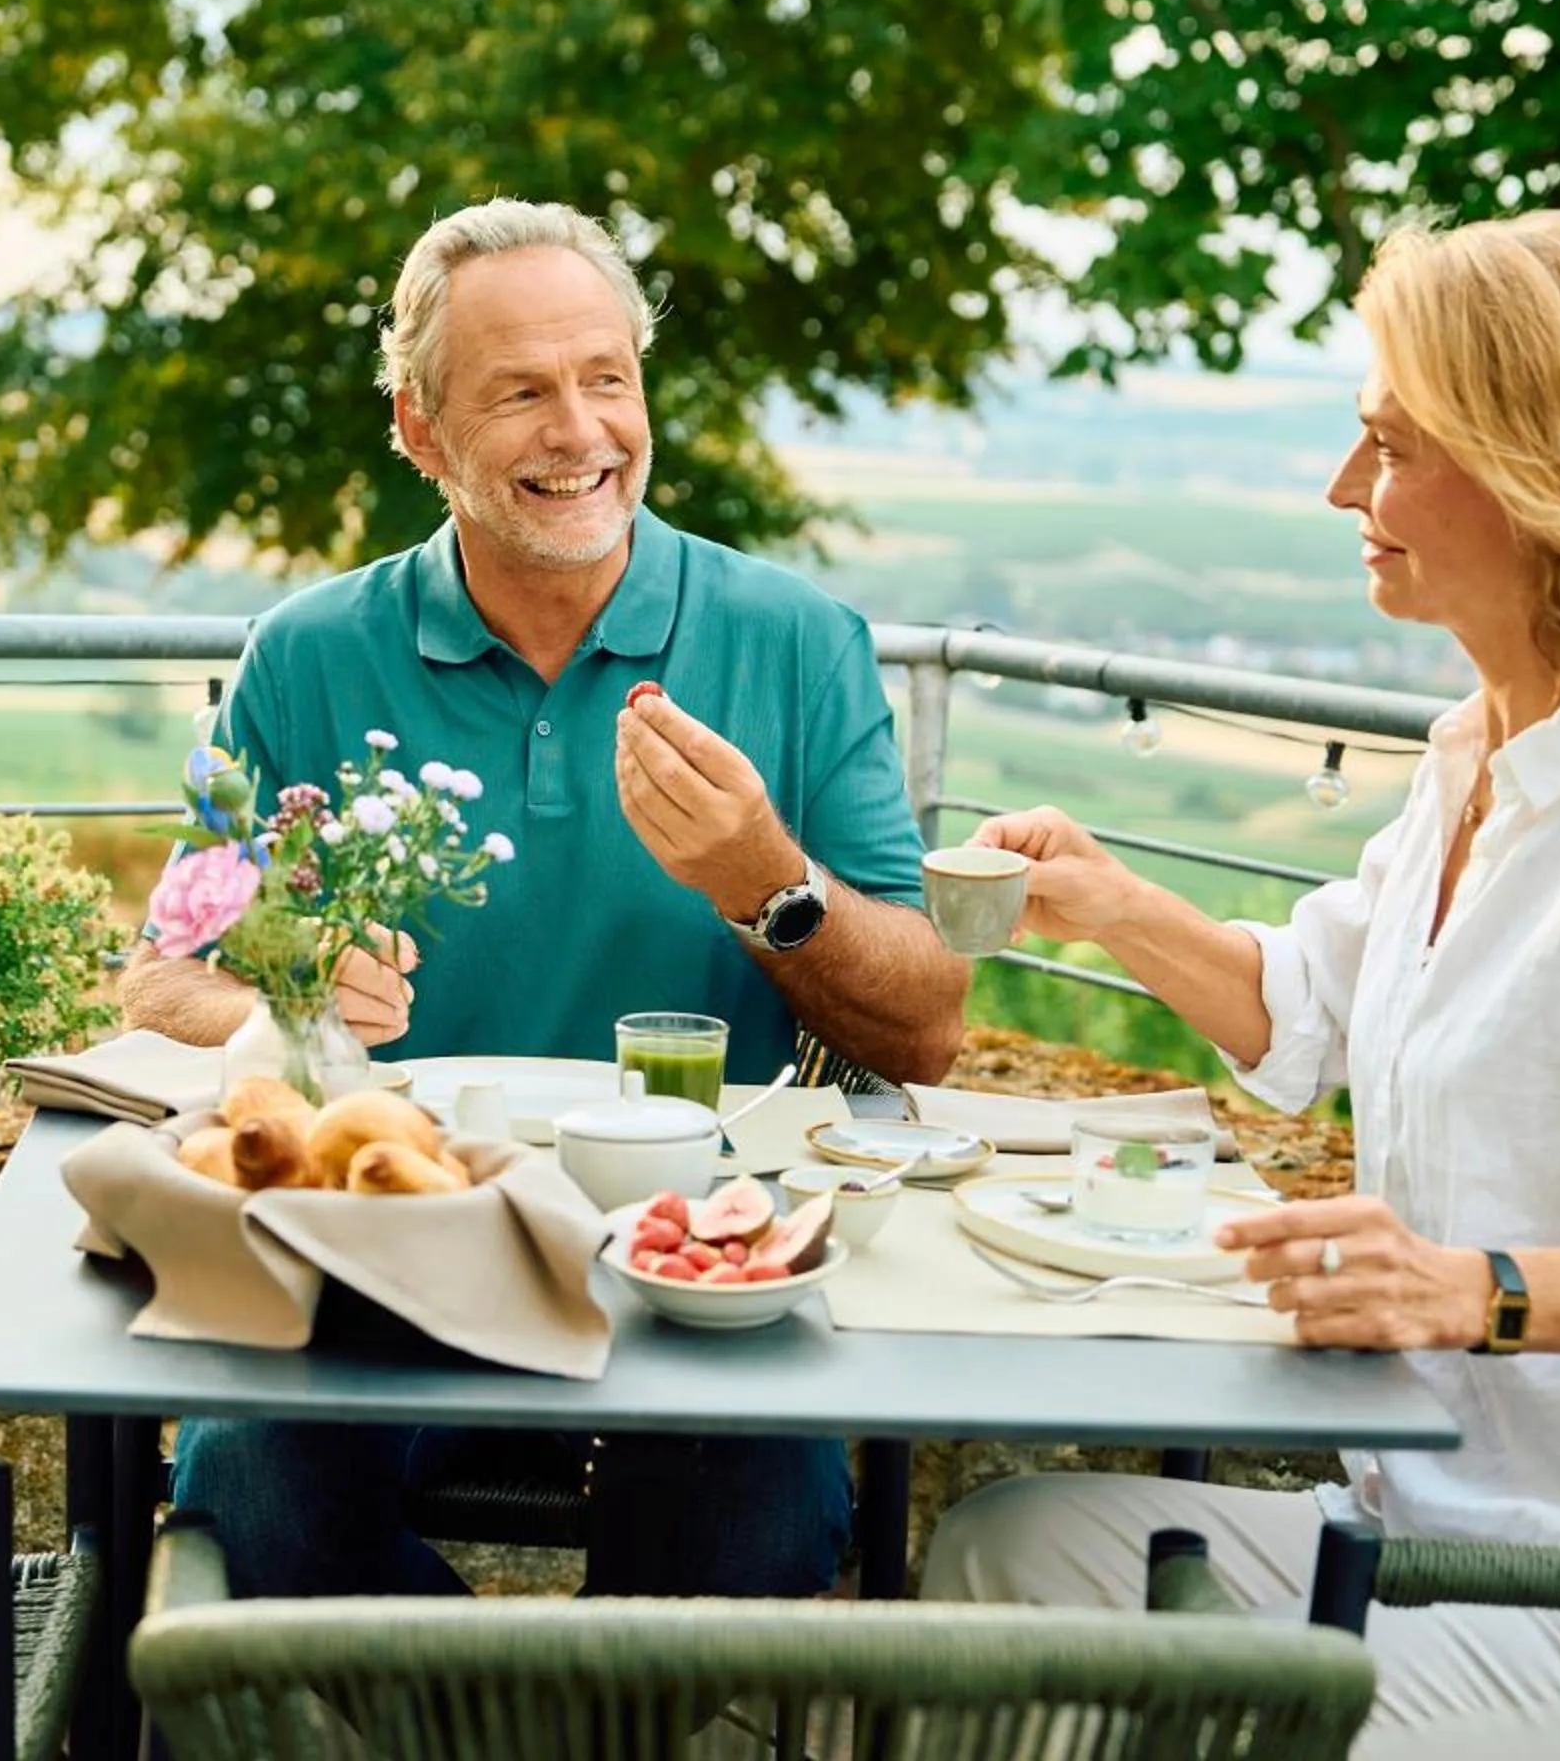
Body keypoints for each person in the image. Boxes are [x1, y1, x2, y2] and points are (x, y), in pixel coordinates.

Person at [921, 211, 1560, 1759]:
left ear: (1541, 469)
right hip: (1440, 1516)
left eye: (1391, 446)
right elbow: (1307, 1004)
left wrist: (1468, 1288)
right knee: (1007, 1548)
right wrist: (1108, 906)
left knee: (1122, 1695)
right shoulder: (1478, 755)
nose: (1342, 490)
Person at [120, 196, 968, 1599]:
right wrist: (280, 1000)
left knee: (760, 1537)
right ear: (420, 431)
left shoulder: (803, 645)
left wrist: (773, 885)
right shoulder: (303, 657)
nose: (580, 432)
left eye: (607, 379)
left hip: (693, 1266)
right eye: (520, 392)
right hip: (383, 1261)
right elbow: (163, 972)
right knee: (243, 1511)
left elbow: (926, 1032)